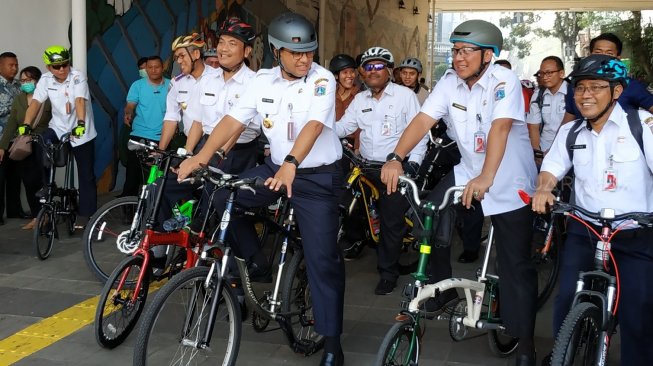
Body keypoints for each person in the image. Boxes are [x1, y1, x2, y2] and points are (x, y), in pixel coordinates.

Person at [177, 12, 346, 366]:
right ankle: (256, 260)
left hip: (314, 176)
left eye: (309, 52)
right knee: (222, 196)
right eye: (295, 53)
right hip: (275, 169)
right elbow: (234, 120)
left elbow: (315, 124)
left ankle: (332, 343)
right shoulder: (263, 82)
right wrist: (202, 157)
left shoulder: (322, 79)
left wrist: (292, 163)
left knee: (323, 261)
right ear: (275, 51)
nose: (304, 59)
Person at [380, 20, 538, 366]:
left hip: (509, 179)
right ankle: (437, 289)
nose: (458, 57)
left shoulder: (503, 80)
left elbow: (500, 128)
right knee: (430, 218)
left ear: (488, 55)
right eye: (454, 51)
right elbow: (423, 120)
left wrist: (487, 177)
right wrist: (396, 157)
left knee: (514, 263)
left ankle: (525, 341)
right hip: (468, 170)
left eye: (466, 51)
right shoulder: (450, 84)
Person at [532, 54, 653, 366]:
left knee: (638, 312)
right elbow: (551, 169)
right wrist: (544, 188)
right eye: (579, 88)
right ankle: (563, 355)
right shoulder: (571, 132)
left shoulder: (642, 125)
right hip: (584, 229)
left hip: (634, 234)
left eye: (596, 87)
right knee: (566, 301)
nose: (585, 95)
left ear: (616, 91)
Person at [335, 47, 427, 288]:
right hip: (365, 167)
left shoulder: (404, 96)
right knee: (345, 203)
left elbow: (419, 133)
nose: (373, 71)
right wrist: (315, 131)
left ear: (388, 71)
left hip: (394, 168)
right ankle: (354, 243)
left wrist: (412, 165)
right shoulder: (360, 99)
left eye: (378, 66)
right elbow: (342, 127)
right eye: (367, 67)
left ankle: (388, 272)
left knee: (391, 219)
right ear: (362, 73)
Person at [20, 45, 98, 227]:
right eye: (57, 66)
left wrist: (80, 123)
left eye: (65, 64)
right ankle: (48, 186)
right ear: (48, 67)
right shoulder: (46, 80)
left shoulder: (78, 76)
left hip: (82, 132)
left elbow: (79, 100)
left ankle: (87, 215)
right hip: (58, 127)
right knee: (41, 145)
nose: (62, 69)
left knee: (86, 175)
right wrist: (26, 125)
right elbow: (36, 103)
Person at [0, 66, 52, 229]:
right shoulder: (20, 100)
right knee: (29, 182)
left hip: (43, 144)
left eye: (29, 80)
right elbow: (11, 124)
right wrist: (2, 146)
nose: (25, 83)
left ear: (38, 81)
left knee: (44, 181)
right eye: (23, 81)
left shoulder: (47, 98)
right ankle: (37, 216)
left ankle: (47, 214)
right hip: (25, 145)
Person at [561, 33, 653, 124]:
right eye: (598, 52)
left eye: (609, 53)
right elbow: (568, 118)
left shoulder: (630, 85)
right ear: (590, 55)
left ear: (618, 58)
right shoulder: (577, 85)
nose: (603, 57)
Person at [121, 55, 170, 197]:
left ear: (163, 68)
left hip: (163, 137)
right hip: (139, 136)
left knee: (159, 178)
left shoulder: (171, 85)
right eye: (150, 67)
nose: (154, 70)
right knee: (132, 177)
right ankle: (127, 210)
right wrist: (128, 113)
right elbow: (130, 105)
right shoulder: (137, 85)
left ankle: (154, 212)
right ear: (146, 69)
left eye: (157, 67)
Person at [158, 33, 215, 151]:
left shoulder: (218, 78)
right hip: (189, 142)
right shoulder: (177, 82)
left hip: (213, 144)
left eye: (182, 55)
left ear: (196, 54)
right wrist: (160, 151)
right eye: (176, 57)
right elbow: (171, 118)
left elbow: (200, 120)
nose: (179, 61)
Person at [0, 51, 26, 224]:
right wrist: (14, 111)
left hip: (17, 140)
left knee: (15, 177)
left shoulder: (19, 86)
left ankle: (15, 211)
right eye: (11, 65)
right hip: (1, 139)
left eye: (16, 64)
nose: (15, 68)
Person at [526, 56, 567, 154]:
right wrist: (537, 152)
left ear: (561, 73)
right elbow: (533, 127)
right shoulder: (538, 95)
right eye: (542, 73)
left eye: (549, 73)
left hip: (568, 148)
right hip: (544, 150)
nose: (544, 77)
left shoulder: (573, 92)